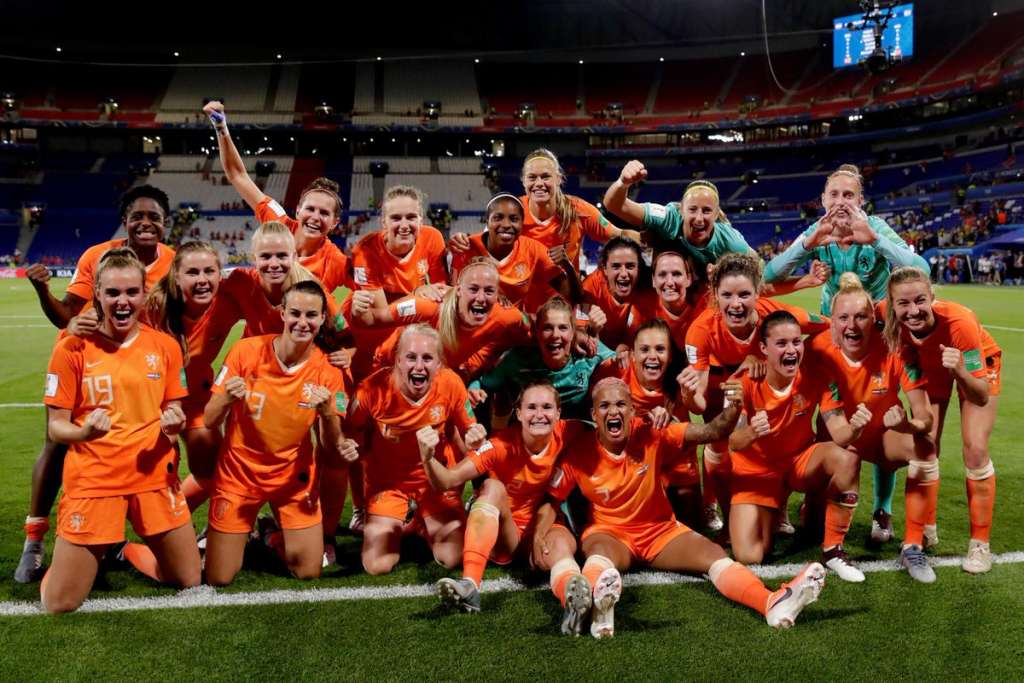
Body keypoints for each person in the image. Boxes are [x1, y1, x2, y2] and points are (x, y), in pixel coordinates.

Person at [543, 377, 827, 637]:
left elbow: (712, 431)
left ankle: (770, 603)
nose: (613, 411)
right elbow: (551, 498)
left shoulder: (652, 432)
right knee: (599, 556)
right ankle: (597, 609)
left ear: (632, 411)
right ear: (594, 415)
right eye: (604, 406)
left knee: (715, 556)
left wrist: (733, 407)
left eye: (621, 404)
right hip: (609, 532)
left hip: (659, 530)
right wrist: (542, 534)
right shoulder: (579, 452)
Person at [16, 185, 176, 584]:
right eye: (137, 215)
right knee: (59, 443)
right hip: (85, 361)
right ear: (125, 220)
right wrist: (43, 292)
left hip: (140, 367)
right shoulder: (96, 256)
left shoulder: (172, 261)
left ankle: (126, 538)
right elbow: (67, 315)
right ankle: (34, 541)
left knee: (152, 444)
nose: (145, 222)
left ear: (165, 222)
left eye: (153, 216)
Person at [763, 165, 931, 541]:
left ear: (861, 201)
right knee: (827, 416)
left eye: (848, 196)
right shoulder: (818, 231)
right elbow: (771, 274)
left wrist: (875, 241)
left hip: (875, 336)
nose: (840, 203)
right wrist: (808, 243)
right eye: (834, 195)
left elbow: (921, 269)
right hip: (831, 336)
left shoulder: (876, 229)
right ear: (823, 200)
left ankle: (883, 511)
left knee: (881, 412)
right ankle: (818, 496)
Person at [40, 250, 200, 612]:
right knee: (59, 604)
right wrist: (83, 435)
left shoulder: (165, 346)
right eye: (113, 293)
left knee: (188, 579)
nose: (123, 301)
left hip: (153, 475)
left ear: (144, 294)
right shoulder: (72, 347)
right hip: (96, 478)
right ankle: (70, 562)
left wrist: (173, 421)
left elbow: (174, 406)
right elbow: (56, 428)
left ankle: (123, 548)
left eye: (131, 292)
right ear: (97, 293)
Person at [203, 281, 354, 585]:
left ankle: (271, 535)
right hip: (239, 474)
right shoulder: (246, 351)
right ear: (282, 313)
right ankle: (242, 534)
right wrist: (225, 398)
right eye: (295, 313)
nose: (302, 322)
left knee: (308, 571)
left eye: (311, 315)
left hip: (292, 479)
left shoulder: (329, 371)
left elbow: (328, 447)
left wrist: (327, 413)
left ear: (323, 318)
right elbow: (208, 419)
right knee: (219, 577)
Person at [418, 382, 590, 632]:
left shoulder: (571, 431)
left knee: (562, 548)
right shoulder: (499, 446)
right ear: (518, 414)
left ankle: (574, 603)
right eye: (531, 407)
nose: (539, 414)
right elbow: (447, 480)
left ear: (558, 413)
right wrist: (427, 457)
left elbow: (609, 430)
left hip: (545, 526)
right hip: (505, 534)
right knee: (493, 488)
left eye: (546, 407)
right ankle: (470, 586)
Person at [678, 254, 829, 535]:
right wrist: (688, 395)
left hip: (764, 391)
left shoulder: (778, 317)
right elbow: (698, 404)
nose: (736, 304)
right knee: (717, 445)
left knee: (778, 435)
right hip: (721, 387)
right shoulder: (700, 331)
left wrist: (804, 371)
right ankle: (722, 509)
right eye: (727, 295)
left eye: (745, 294)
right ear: (715, 295)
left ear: (758, 292)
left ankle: (782, 506)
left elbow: (829, 327)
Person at [727, 311, 875, 581]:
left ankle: (833, 550)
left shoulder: (816, 376)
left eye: (796, 342)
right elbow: (734, 442)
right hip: (756, 472)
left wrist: (855, 428)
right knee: (751, 555)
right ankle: (774, 509)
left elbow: (840, 433)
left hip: (797, 464)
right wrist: (751, 432)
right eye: (781, 343)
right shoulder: (743, 383)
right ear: (763, 348)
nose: (792, 350)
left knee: (847, 457)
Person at [811, 274, 939, 582]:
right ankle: (811, 512)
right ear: (831, 322)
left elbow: (926, 417)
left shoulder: (895, 347)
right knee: (812, 522)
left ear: (875, 319)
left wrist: (908, 424)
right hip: (837, 439)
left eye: (861, 317)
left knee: (925, 447)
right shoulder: (817, 350)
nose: (852, 326)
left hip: (881, 436)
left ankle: (911, 545)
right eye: (843, 317)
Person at [883, 266, 1000, 573]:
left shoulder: (959, 324)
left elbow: (981, 395)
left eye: (920, 301)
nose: (913, 311)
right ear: (892, 304)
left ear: (932, 296)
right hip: (930, 366)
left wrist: (960, 371)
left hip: (972, 367)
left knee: (974, 449)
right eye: (903, 304)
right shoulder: (886, 315)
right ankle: (925, 528)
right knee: (925, 442)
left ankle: (980, 545)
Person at [345, 324, 484, 575]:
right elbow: (352, 435)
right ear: (397, 360)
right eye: (411, 357)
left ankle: (420, 522)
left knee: (452, 557)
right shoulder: (371, 390)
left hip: (434, 482)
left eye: (428, 358)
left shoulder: (451, 383)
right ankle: (404, 521)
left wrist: (475, 440)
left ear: (439, 364)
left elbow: (469, 437)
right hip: (387, 485)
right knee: (377, 565)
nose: (419, 367)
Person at [204, 100, 350, 293]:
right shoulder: (278, 223)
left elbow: (375, 290)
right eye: (310, 209)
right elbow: (237, 175)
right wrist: (221, 128)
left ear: (335, 222)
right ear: (298, 211)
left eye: (324, 213)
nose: (315, 217)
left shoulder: (336, 262)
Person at [356, 258, 531, 386]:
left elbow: (528, 328)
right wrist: (358, 306)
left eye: (489, 291)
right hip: (389, 370)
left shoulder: (506, 316)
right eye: (473, 289)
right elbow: (372, 319)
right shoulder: (428, 305)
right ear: (459, 290)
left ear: (497, 295)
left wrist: (479, 370)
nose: (481, 298)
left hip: (434, 379)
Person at [471, 297, 618, 420]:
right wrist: (474, 389)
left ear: (573, 333)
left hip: (574, 433)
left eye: (563, 328)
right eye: (547, 328)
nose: (555, 335)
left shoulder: (588, 351)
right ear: (537, 334)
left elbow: (624, 362)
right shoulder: (518, 359)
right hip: (531, 430)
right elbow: (483, 380)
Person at [602, 162, 753, 269]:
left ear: (716, 214)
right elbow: (614, 205)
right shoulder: (668, 218)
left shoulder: (730, 240)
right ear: (681, 210)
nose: (699, 218)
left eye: (707, 211)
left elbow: (757, 266)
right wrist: (623, 182)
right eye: (692, 209)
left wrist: (726, 271)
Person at [448, 193, 576, 314]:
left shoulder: (533, 250)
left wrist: (568, 267)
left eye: (514, 219)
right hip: (474, 320)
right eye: (498, 218)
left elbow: (571, 294)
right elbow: (453, 298)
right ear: (487, 221)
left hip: (514, 324)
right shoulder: (466, 247)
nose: (506, 225)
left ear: (522, 224)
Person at [519, 148, 641, 269]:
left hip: (568, 288)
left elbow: (618, 235)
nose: (539, 183)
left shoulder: (578, 210)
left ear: (558, 179)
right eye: (532, 177)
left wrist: (653, 237)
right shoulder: (513, 211)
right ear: (523, 181)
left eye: (546, 177)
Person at [580, 237, 657, 350]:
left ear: (639, 268)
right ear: (604, 268)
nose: (624, 273)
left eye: (630, 266)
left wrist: (626, 348)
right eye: (616, 266)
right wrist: (590, 329)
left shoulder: (648, 292)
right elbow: (578, 333)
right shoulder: (590, 287)